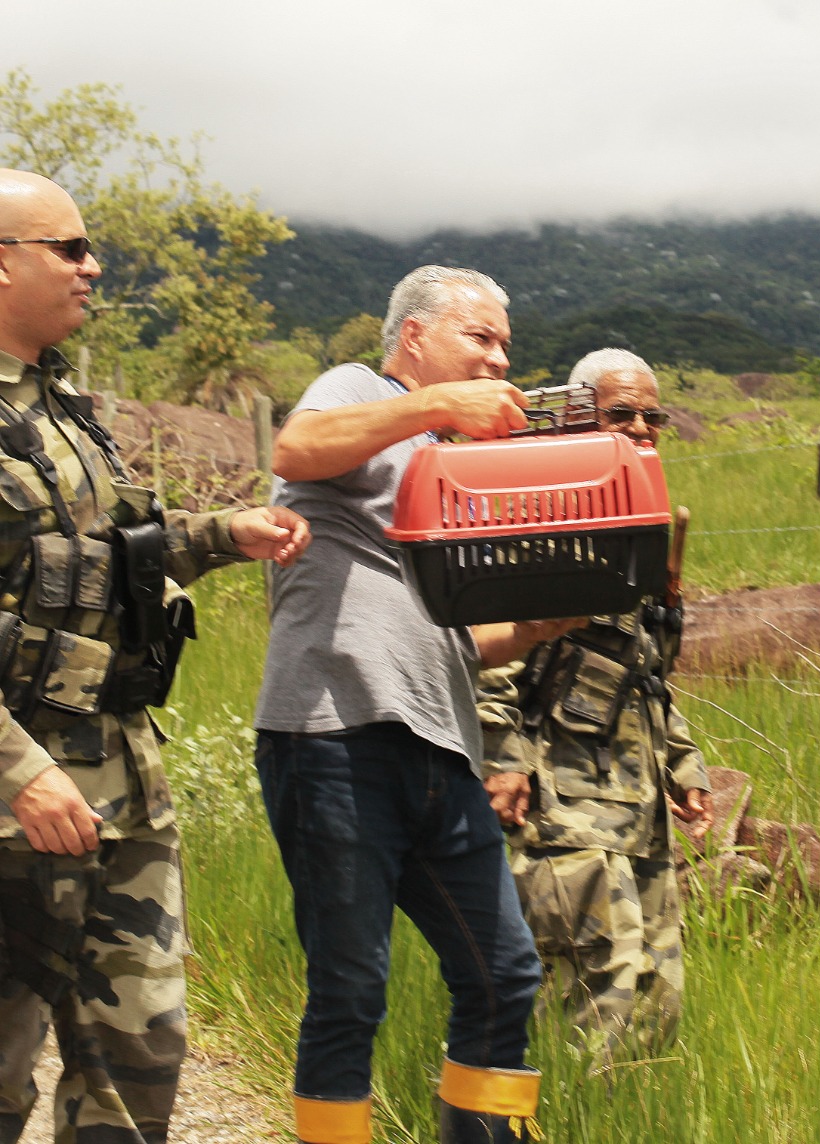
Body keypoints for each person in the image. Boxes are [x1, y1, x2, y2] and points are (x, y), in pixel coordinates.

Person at [0, 170, 311, 1144]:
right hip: (22, 797)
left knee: (137, 1062)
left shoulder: (70, 416)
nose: (94, 265)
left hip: (122, 779)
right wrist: (17, 774)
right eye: (70, 247)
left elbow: (125, 548)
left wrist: (230, 531)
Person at [254, 265, 581, 1144]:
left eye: (505, 343)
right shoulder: (358, 390)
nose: (498, 357)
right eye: (480, 337)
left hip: (439, 747)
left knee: (504, 971)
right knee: (352, 988)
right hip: (330, 738)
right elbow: (293, 451)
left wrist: (539, 627)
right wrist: (434, 409)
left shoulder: (442, 463)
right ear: (415, 338)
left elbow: (454, 643)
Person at [477, 348, 713, 1066]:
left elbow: (644, 669)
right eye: (621, 414)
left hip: (638, 814)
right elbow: (485, 654)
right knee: (593, 994)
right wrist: (504, 759)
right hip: (565, 809)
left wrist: (684, 764)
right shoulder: (539, 518)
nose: (642, 428)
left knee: (657, 1000)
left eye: (653, 416)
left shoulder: (639, 520)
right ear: (580, 418)